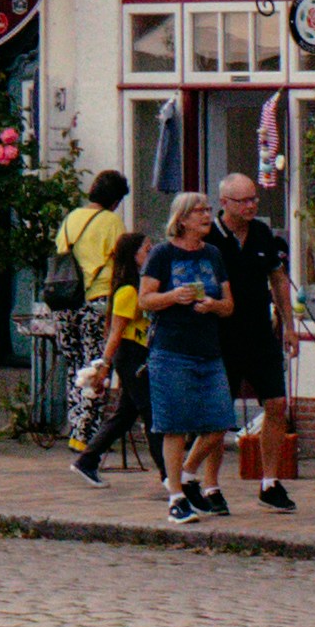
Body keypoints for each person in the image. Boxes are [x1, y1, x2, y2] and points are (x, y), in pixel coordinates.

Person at [137, 195, 239, 525]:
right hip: (171, 350)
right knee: (175, 425)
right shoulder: (162, 254)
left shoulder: (213, 255)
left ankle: (185, 472)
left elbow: (229, 305)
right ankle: (176, 498)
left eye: (209, 210)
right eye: (200, 211)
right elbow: (145, 300)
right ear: (182, 219)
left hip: (208, 350)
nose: (208, 216)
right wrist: (172, 296)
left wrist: (212, 305)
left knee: (220, 421)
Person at [211, 169, 299, 514]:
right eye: (243, 200)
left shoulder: (261, 233)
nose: (251, 205)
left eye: (254, 199)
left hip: (260, 332)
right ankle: (211, 485)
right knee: (218, 415)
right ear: (224, 203)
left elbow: (278, 280)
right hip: (222, 336)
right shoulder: (209, 238)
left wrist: (290, 326)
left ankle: (270, 482)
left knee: (277, 403)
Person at [52, 169, 132, 471]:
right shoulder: (111, 222)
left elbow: (61, 251)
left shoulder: (71, 218)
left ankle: (75, 428)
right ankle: (86, 435)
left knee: (74, 366)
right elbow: (121, 259)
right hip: (98, 301)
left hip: (66, 301)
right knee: (96, 366)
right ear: (116, 199)